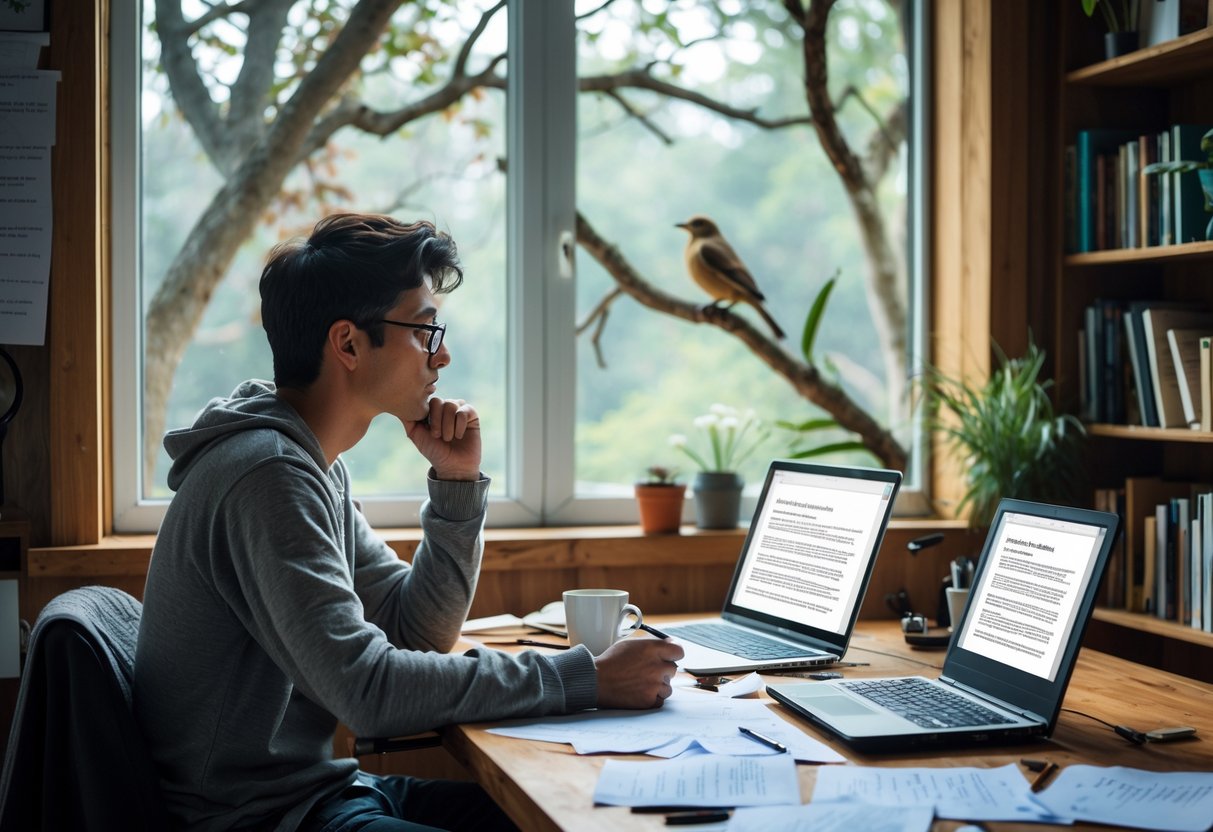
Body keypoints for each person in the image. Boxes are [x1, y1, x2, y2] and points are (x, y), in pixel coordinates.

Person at [133, 213, 684, 832]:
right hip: (260, 820)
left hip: (319, 795)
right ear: (347, 344)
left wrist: (454, 487)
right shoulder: (268, 475)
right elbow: (369, 692)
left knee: (584, 815)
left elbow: (414, 632)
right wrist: (585, 677)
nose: (441, 355)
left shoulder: (309, 465)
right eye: (425, 331)